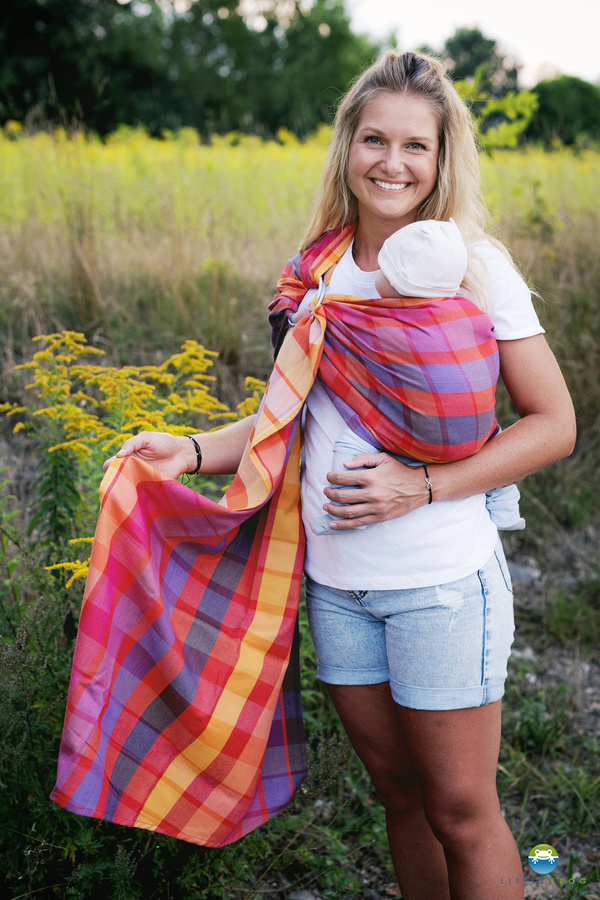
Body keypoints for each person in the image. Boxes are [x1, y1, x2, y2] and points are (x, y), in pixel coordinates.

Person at [65, 51, 575, 900]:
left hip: (441, 583)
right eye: (375, 139)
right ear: (347, 147)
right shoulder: (317, 274)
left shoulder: (475, 267)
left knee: (460, 809)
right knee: (400, 797)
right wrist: (186, 449)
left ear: (443, 160)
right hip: (337, 584)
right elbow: (287, 417)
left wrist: (424, 483)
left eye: (416, 146)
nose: (393, 163)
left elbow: (554, 424)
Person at [309, 217, 526, 536]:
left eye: (384, 271)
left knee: (353, 443)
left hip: (418, 437)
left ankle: (343, 513)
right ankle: (506, 506)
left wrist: (309, 316)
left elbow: (332, 335)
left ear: (399, 283)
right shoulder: (468, 313)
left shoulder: (384, 322)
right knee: (494, 435)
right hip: (476, 435)